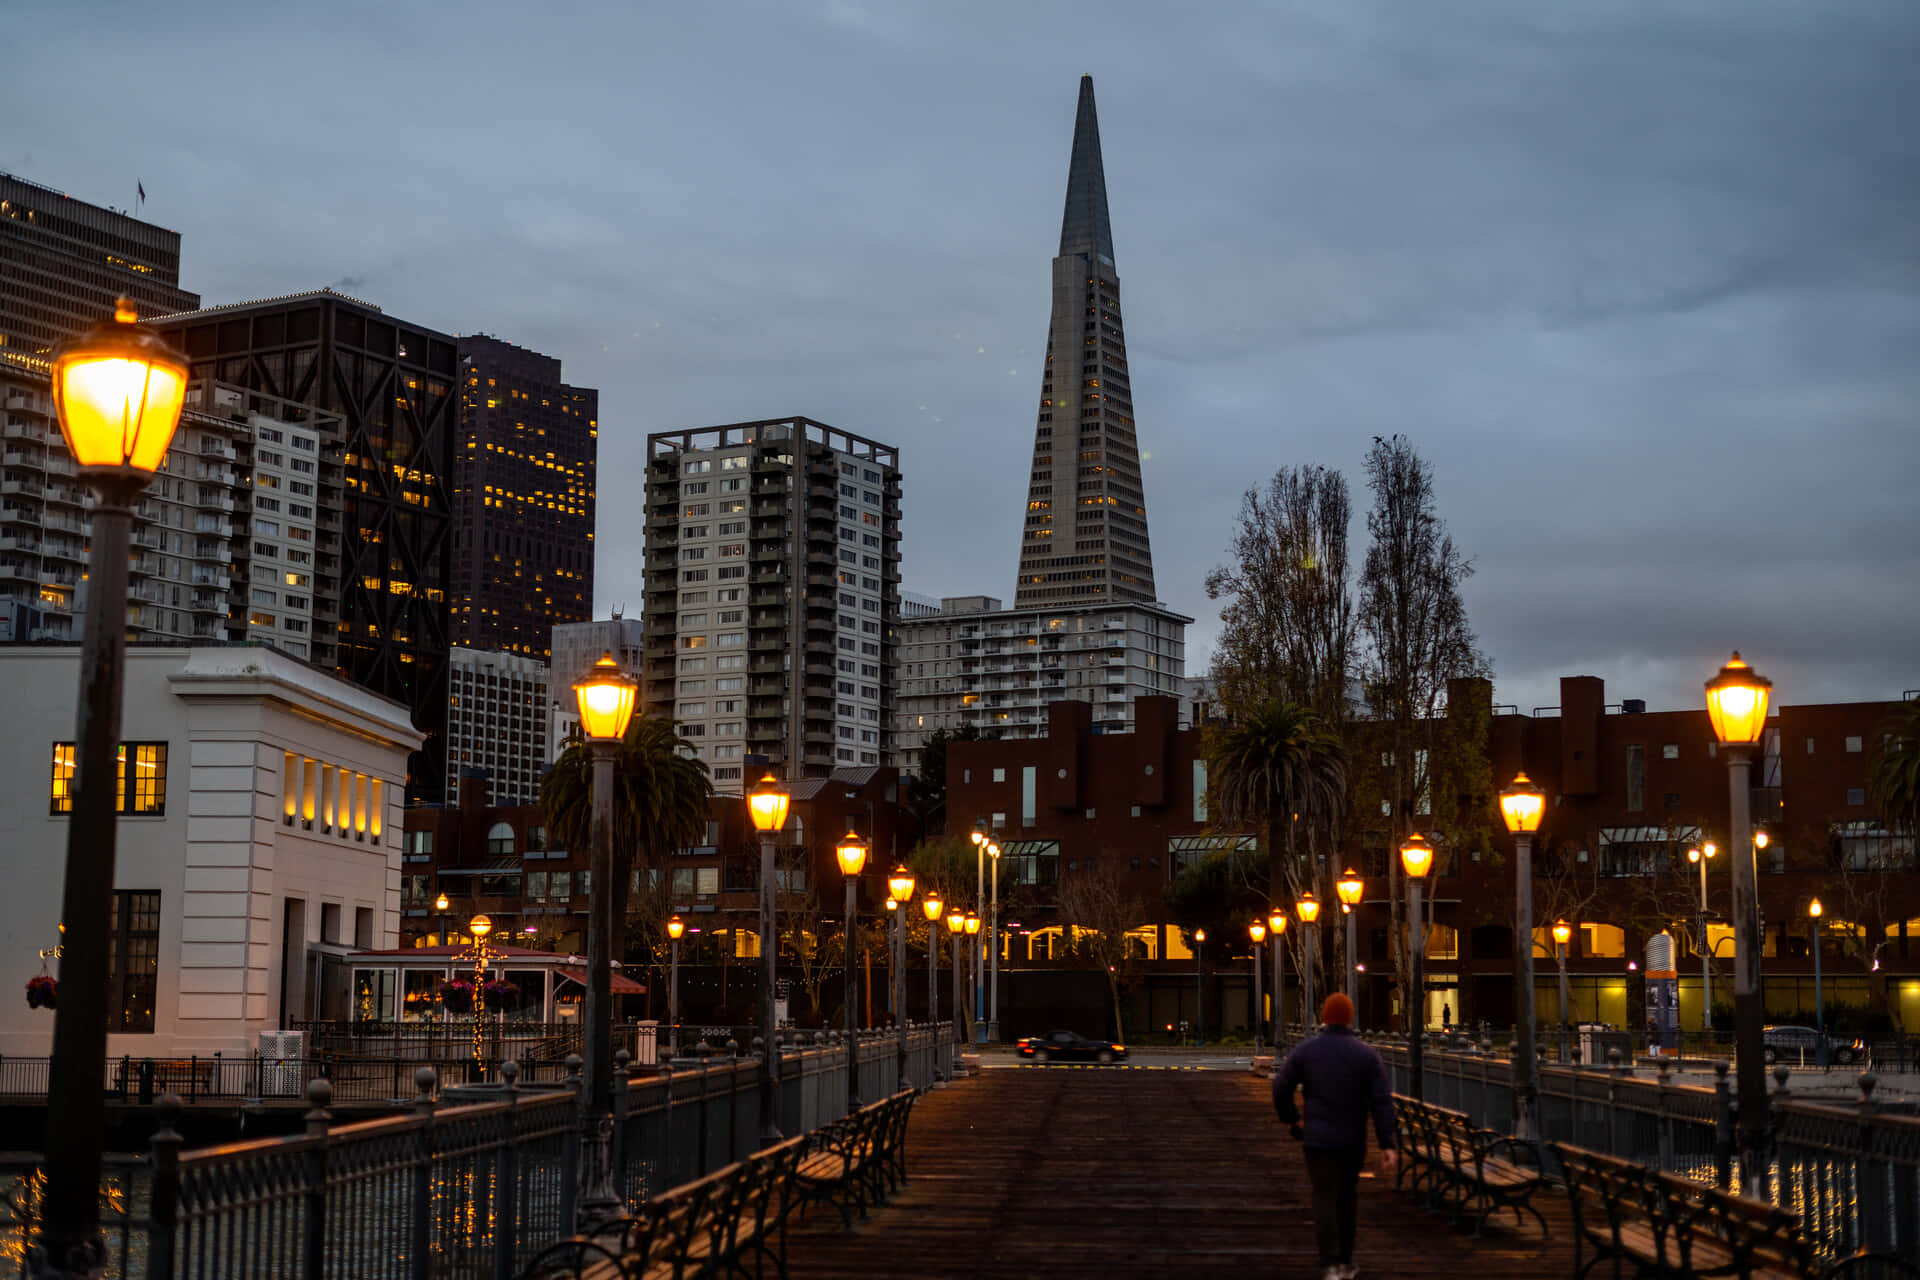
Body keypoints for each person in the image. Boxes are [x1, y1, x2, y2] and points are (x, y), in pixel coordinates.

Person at [1273, 993, 1398, 1280]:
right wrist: (1387, 1143)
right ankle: (1345, 1260)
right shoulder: (1366, 1055)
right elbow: (1381, 1101)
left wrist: (1291, 1118)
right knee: (1346, 1198)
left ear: (1325, 1018)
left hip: (1317, 1139)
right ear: (1350, 1018)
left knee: (1324, 1198)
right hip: (1352, 1139)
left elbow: (1281, 1086)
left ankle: (1330, 1262)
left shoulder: (1308, 1051)